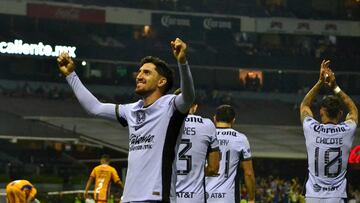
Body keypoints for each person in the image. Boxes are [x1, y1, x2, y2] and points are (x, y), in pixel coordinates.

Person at [57, 37, 195, 203]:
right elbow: (94, 108)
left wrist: (182, 61)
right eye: (139, 71)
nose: (139, 76)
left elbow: (188, 96)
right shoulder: (131, 110)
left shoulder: (171, 106)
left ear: (162, 81)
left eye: (147, 72)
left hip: (156, 197)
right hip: (129, 198)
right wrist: (71, 75)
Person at [300, 60, 358, 203]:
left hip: (313, 196)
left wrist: (320, 82)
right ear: (339, 114)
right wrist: (335, 87)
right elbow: (353, 110)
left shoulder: (311, 128)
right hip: (336, 197)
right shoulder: (346, 130)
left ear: (320, 112)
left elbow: (305, 105)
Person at [174, 89, 220, 203]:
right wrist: (196, 171)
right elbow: (213, 168)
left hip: (169, 196)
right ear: (195, 107)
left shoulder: (164, 123)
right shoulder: (208, 124)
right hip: (195, 197)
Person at [206, 105, 255, 203]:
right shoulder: (241, 139)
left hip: (203, 196)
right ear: (233, 120)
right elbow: (248, 173)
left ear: (214, 118)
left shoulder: (205, 135)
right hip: (228, 198)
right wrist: (251, 198)